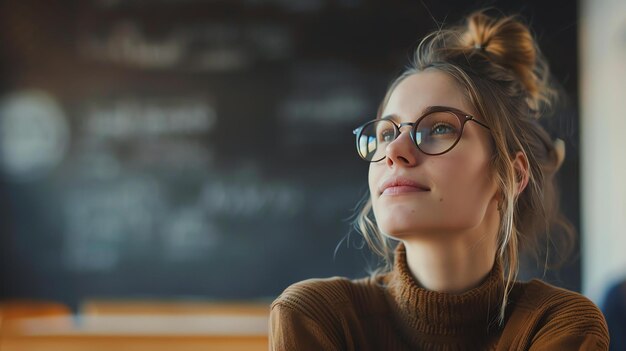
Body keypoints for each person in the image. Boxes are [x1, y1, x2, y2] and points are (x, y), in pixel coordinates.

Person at [269, 10, 609, 350]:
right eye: (386, 132)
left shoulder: (558, 324)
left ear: (512, 174)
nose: (395, 151)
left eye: (440, 127)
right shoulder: (316, 315)